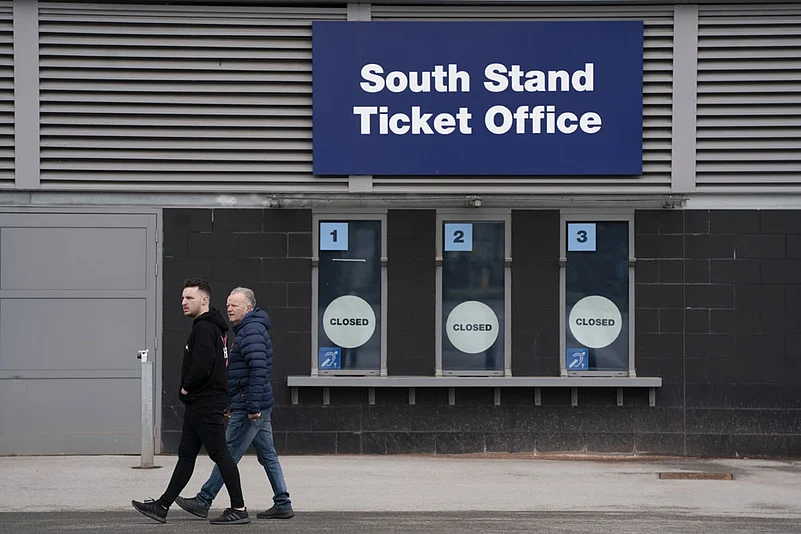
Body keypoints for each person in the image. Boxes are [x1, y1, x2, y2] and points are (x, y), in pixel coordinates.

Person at [132, 279, 250, 525]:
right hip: (201, 403)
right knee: (187, 456)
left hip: (204, 403)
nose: (184, 302)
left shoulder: (205, 328)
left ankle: (239, 508)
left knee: (220, 454)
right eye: (182, 298)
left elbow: (203, 365)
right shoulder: (212, 327)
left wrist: (186, 387)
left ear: (204, 300)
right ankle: (162, 506)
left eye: (190, 298)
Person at [174, 286, 294, 520]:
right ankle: (282, 502)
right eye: (228, 304)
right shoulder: (248, 330)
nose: (229, 308)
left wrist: (252, 406)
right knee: (267, 455)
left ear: (248, 308)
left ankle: (204, 500)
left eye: (234, 305)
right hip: (253, 402)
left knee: (227, 453)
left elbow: (258, 370)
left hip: (249, 405)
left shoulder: (251, 332)